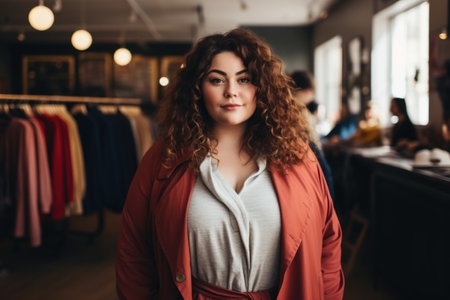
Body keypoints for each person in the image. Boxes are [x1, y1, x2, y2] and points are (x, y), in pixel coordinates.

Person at [116, 28, 344, 300]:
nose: (231, 92)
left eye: (244, 79)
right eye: (216, 80)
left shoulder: (298, 157)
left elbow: (328, 245)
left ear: (262, 87)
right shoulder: (163, 159)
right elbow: (134, 252)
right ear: (197, 89)